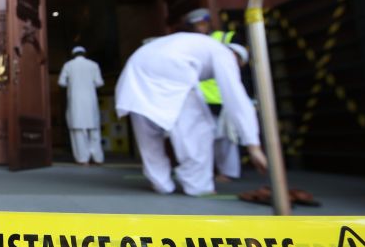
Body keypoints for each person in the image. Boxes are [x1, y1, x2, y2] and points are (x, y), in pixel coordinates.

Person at [114, 33, 267, 196]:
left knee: (149, 135)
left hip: (135, 71)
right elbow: (235, 98)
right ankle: (198, 186)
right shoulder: (224, 54)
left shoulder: (199, 45)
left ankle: (160, 183)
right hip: (170, 69)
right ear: (237, 59)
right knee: (198, 131)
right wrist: (253, 145)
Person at [184, 7, 239, 181]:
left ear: (208, 22)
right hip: (199, 96)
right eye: (196, 25)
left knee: (226, 137)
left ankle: (228, 172)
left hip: (222, 95)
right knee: (202, 136)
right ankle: (207, 171)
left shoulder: (225, 38)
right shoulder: (190, 42)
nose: (200, 27)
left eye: (202, 23)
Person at [57, 46, 105, 165]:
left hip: (75, 101)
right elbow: (99, 82)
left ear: (74, 55)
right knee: (94, 130)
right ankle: (97, 158)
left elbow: (61, 82)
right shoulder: (93, 65)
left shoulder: (68, 65)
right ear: (85, 54)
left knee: (78, 131)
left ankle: (82, 159)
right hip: (90, 100)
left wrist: (72, 83)